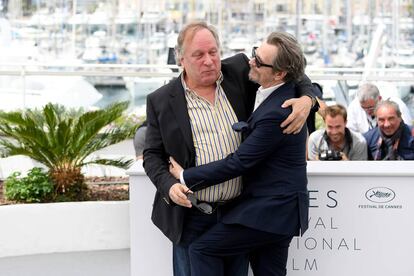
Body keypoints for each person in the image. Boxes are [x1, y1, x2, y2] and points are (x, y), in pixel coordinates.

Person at [143, 22, 317, 276]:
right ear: (181, 59)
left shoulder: (239, 71)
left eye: (213, 52)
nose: (209, 61)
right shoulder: (160, 100)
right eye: (198, 55)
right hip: (190, 215)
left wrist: (307, 99)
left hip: (238, 212)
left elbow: (291, 70)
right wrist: (169, 185)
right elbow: (152, 156)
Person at [347, 82, 412, 133]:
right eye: (363, 108)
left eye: (371, 108)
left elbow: (407, 128)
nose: (367, 111)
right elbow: (351, 131)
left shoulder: (397, 104)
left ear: (379, 98)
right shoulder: (354, 106)